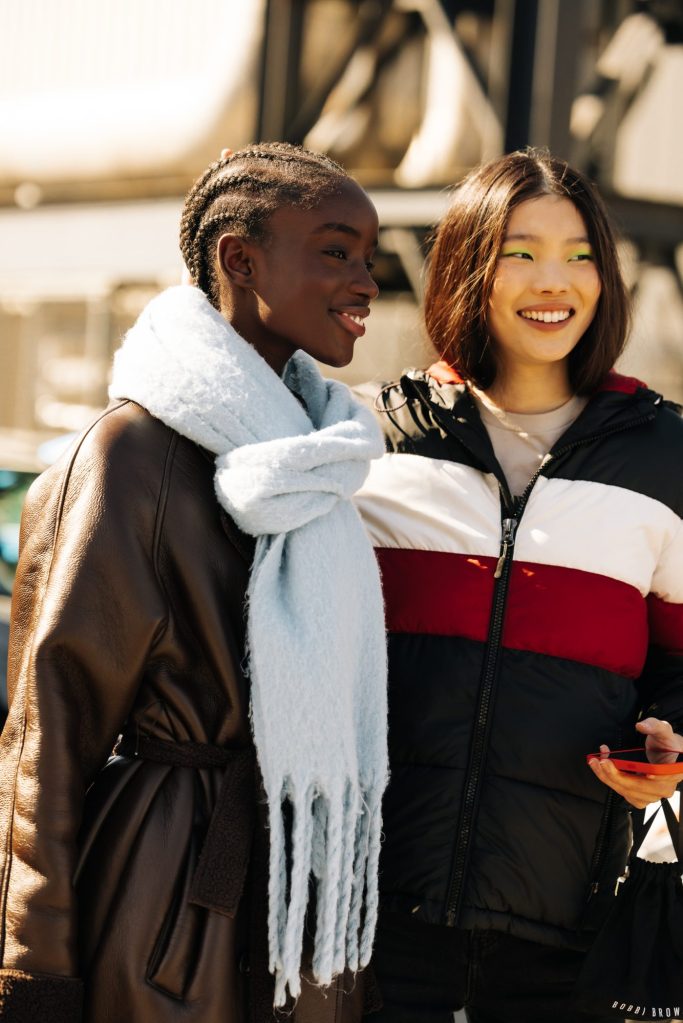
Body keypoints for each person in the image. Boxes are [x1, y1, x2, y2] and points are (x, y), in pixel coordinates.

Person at [0, 142, 389, 1023]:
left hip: (299, 914)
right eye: (335, 251)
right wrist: (31, 974)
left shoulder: (320, 461)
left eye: (368, 257)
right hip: (161, 912)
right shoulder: (128, 455)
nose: (365, 281)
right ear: (239, 259)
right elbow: (45, 742)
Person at [354, 148, 683, 1023]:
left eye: (580, 255)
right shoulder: (375, 441)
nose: (556, 280)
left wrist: (668, 737)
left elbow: (681, 664)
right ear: (467, 263)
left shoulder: (663, 457)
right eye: (521, 250)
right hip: (373, 914)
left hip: (568, 930)